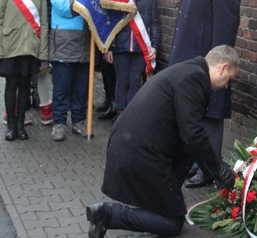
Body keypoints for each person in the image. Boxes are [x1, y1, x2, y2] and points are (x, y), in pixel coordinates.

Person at [86, 45, 239, 238]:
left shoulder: (189, 70)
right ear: (223, 68)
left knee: (169, 211)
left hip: (136, 146)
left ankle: (117, 214)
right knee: (172, 223)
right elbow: (192, 134)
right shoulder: (195, 77)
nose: (226, 86)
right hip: (141, 153)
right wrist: (218, 170)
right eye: (229, 79)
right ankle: (108, 214)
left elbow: (186, 136)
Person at [170, 0, 242, 189]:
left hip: (206, 59)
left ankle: (209, 169)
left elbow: (225, 24)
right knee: (192, 111)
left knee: (210, 113)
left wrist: (218, 64)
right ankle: (193, 162)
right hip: (191, 55)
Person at [0, 0, 50, 141]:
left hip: (30, 45)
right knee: (11, 85)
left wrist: (43, 53)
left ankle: (22, 124)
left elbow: (44, 22)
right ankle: (11, 125)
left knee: (25, 86)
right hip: (10, 44)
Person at [103, 0, 161, 118]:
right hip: (120, 47)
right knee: (121, 81)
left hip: (140, 47)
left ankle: (132, 116)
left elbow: (155, 24)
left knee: (135, 81)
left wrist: (155, 46)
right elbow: (110, 23)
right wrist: (108, 47)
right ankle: (120, 114)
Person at [49, 0, 92, 141]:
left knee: (80, 89)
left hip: (84, 45)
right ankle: (58, 123)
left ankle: (79, 121)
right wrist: (87, 2)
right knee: (61, 89)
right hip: (63, 44)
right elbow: (64, 9)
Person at [28, 0, 60, 124]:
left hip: (48, 18)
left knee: (44, 66)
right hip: (28, 19)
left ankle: (45, 104)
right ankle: (26, 100)